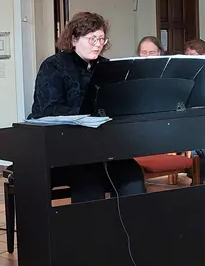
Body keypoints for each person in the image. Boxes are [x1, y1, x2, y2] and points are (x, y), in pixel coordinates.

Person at [29, 12, 146, 203]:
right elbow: (48, 110)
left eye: (101, 39)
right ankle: (89, 223)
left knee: (132, 175)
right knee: (88, 180)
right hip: (64, 148)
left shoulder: (107, 67)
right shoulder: (54, 65)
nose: (98, 44)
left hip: (103, 147)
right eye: (92, 39)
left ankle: (132, 222)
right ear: (74, 40)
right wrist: (89, 114)